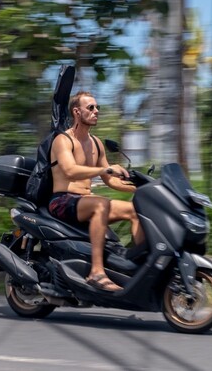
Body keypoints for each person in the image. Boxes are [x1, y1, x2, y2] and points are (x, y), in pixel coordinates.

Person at [49, 91, 144, 292]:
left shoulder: (96, 143)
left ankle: (137, 269)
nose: (96, 111)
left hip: (85, 200)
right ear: (77, 112)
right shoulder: (63, 140)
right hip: (62, 201)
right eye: (90, 108)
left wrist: (144, 188)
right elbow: (70, 171)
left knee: (135, 210)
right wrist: (104, 169)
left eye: (97, 107)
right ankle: (97, 272)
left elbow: (110, 181)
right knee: (101, 203)